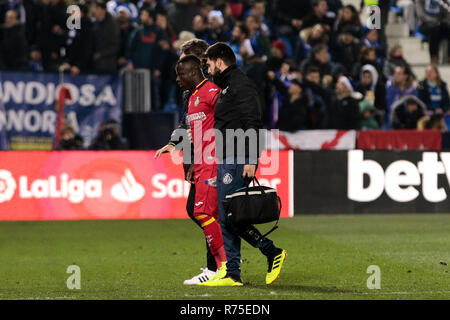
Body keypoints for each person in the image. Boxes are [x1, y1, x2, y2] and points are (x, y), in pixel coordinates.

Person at [203, 42, 287, 286]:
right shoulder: (228, 86)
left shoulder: (241, 84)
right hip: (228, 157)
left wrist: (251, 159)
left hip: (239, 157)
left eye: (208, 64)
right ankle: (233, 273)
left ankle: (270, 252)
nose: (207, 69)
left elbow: (253, 122)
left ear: (219, 61)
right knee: (228, 216)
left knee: (231, 216)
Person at [154, 39, 218, 285]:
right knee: (203, 211)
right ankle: (221, 258)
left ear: (199, 60)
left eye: (184, 58)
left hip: (213, 157)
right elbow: (187, 125)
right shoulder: (188, 92)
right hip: (198, 158)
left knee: (202, 211)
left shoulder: (214, 88)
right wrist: (173, 144)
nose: (179, 64)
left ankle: (217, 265)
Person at [174, 55, 227, 283]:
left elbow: (227, 121)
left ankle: (223, 266)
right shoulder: (194, 97)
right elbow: (197, 136)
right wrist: (194, 163)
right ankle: (221, 267)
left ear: (193, 72)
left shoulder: (212, 92)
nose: (177, 79)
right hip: (202, 163)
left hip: (214, 162)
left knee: (201, 212)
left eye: (180, 74)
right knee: (210, 214)